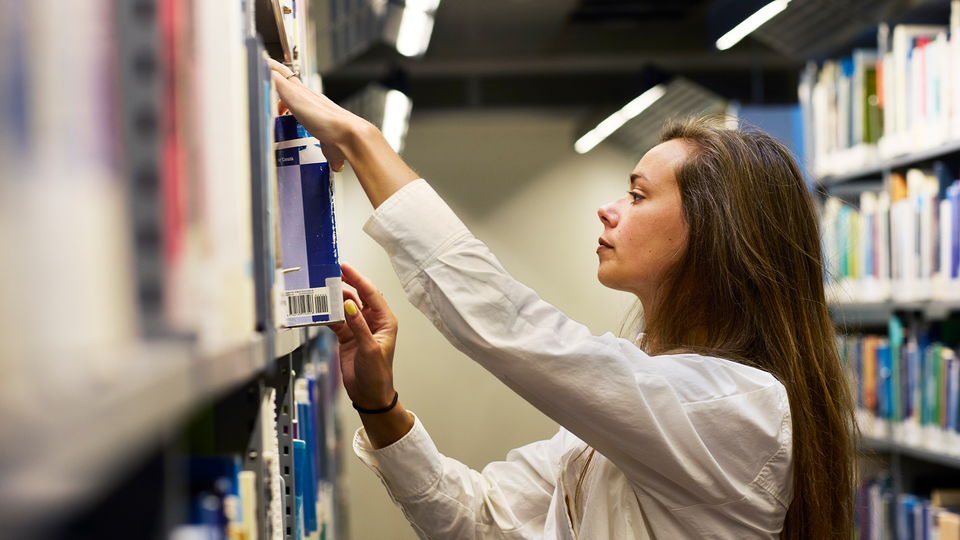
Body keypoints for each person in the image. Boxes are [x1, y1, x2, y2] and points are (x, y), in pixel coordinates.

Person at [269, 60, 857, 539]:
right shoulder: (633, 411)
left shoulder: (740, 408)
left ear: (715, 232)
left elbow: (515, 329)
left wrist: (359, 138)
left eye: (637, 194)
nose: (609, 208)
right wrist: (381, 408)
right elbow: (481, 521)